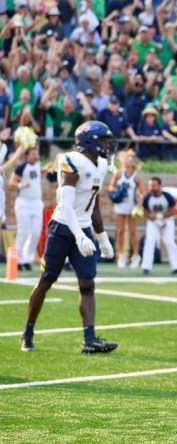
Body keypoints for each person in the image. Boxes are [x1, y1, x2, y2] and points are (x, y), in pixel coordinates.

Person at [20, 121, 118, 354]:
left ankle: (89, 339)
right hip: (62, 228)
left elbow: (92, 205)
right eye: (102, 140)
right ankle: (28, 332)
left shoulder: (101, 165)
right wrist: (78, 236)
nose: (106, 144)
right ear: (88, 142)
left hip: (83, 229)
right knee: (47, 280)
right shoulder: (71, 161)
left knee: (87, 283)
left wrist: (101, 237)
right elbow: (66, 203)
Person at [8, 136, 43, 272]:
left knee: (35, 232)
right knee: (23, 231)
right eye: (33, 154)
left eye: (37, 154)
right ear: (27, 156)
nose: (36, 156)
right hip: (24, 203)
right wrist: (21, 184)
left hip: (36, 203)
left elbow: (38, 174)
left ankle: (27, 259)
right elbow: (11, 183)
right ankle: (18, 260)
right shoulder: (22, 167)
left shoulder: (38, 165)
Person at [107, 149, 144, 269]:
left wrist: (140, 203)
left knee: (133, 231)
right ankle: (122, 255)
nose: (127, 161)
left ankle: (135, 255)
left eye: (129, 159)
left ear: (133, 162)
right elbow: (111, 186)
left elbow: (143, 192)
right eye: (125, 159)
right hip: (120, 205)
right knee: (120, 231)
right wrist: (116, 193)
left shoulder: (137, 176)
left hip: (132, 206)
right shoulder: (118, 173)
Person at [140, 177, 177, 275]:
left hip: (167, 220)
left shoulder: (167, 196)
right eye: (150, 186)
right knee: (150, 240)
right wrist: (152, 217)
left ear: (160, 186)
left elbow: (173, 210)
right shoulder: (147, 197)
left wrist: (161, 216)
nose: (152, 188)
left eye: (154, 186)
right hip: (153, 221)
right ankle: (146, 266)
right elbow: (145, 210)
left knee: (169, 241)